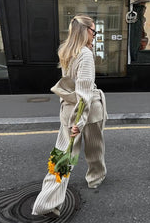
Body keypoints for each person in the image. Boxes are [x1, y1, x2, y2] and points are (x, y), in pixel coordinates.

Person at [32, 14, 107, 218]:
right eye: (94, 31)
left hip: (69, 110)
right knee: (93, 147)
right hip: (85, 112)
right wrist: (78, 122)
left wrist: (70, 117)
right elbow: (83, 92)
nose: (95, 35)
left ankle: (48, 199)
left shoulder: (66, 51)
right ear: (85, 31)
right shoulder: (85, 54)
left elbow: (68, 85)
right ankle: (95, 178)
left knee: (62, 156)